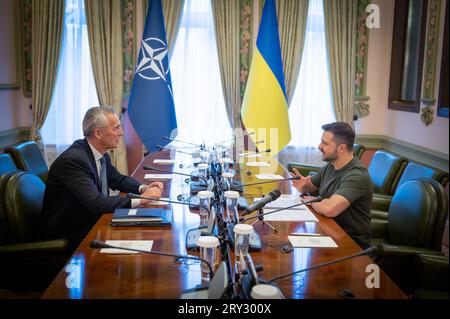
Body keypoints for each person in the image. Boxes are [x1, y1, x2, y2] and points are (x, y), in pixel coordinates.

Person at [42, 106, 163, 250]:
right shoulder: (74, 161)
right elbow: (96, 202)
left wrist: (143, 188)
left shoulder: (100, 152)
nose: (121, 132)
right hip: (70, 230)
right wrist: (142, 199)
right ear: (99, 133)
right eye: (116, 128)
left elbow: (117, 179)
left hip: (90, 219)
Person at [290, 122, 373, 248]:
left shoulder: (356, 176)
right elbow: (310, 186)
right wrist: (303, 186)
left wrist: (312, 201)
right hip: (329, 230)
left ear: (341, 148)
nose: (319, 146)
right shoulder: (331, 165)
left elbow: (330, 209)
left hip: (350, 244)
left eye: (325, 143)